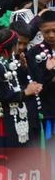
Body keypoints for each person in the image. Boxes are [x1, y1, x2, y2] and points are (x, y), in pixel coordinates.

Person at [0, 28, 42, 176]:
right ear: (11, 46)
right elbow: (3, 94)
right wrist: (26, 92)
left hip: (10, 120)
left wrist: (24, 69)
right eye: (17, 44)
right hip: (1, 123)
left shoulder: (7, 63)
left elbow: (12, 85)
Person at [26, 10, 55, 143]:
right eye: (46, 31)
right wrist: (49, 73)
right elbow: (38, 83)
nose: (51, 35)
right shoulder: (33, 53)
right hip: (48, 109)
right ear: (40, 30)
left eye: (54, 30)